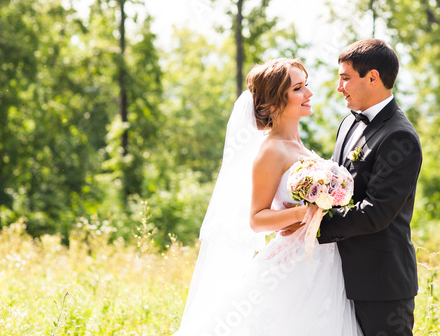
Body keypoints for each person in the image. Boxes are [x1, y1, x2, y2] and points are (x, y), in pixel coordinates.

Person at [174, 58, 362, 335]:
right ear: (274, 103)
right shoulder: (271, 151)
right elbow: (257, 219)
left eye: (305, 85)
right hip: (292, 265)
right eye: (298, 88)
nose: (309, 93)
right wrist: (302, 213)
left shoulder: (300, 147)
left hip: (325, 258)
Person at [282, 39, 422, 335]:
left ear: (372, 78)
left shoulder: (400, 137)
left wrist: (311, 224)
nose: (339, 87)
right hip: (337, 276)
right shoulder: (348, 123)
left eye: (345, 78)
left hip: (381, 285)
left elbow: (376, 212)